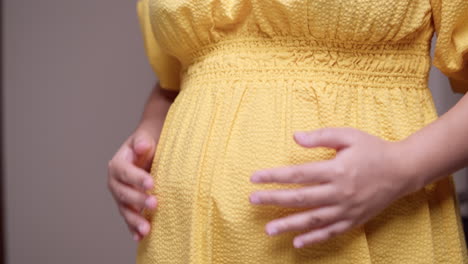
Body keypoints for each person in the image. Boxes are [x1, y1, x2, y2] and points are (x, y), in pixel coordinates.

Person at [107, 0, 468, 263]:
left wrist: (403, 166)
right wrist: (148, 135)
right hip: (180, 239)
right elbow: (176, 82)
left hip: (371, 229)